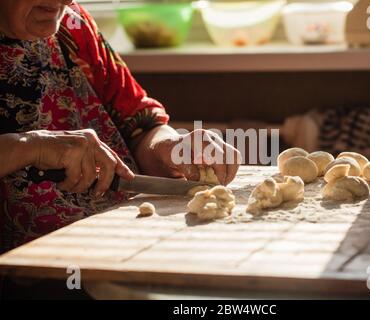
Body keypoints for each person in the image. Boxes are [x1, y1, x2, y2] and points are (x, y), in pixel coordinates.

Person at [0, 0, 241, 253]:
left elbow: (141, 123)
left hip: (126, 235)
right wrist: (31, 147)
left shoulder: (74, 24)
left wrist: (169, 146)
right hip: (36, 264)